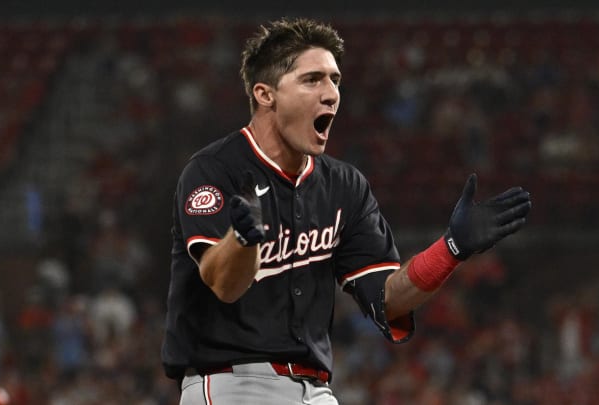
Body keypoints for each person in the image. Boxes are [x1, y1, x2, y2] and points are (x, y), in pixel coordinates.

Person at [161, 17, 531, 405]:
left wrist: (450, 249)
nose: (332, 93)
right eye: (312, 80)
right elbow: (222, 283)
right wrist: (241, 239)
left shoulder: (344, 185)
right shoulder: (214, 169)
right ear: (265, 94)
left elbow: (387, 301)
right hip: (233, 384)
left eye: (334, 80)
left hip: (316, 391)